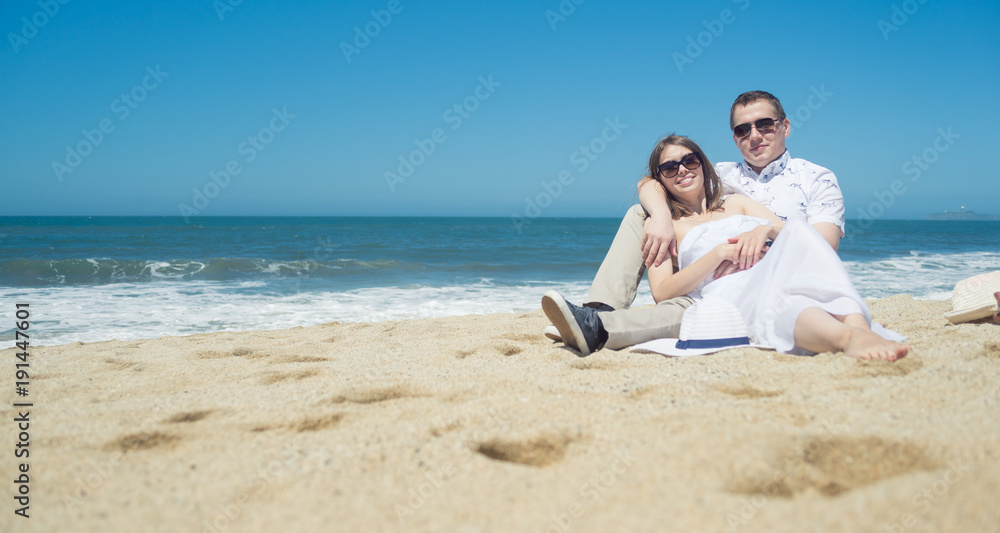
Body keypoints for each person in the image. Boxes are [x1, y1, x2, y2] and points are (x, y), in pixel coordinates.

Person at [542, 135, 908, 362]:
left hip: (775, 263)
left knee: (802, 239)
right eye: (670, 168)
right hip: (729, 287)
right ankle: (847, 338)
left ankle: (859, 327)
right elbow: (663, 292)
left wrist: (763, 230)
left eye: (690, 160)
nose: (682, 169)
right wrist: (715, 252)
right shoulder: (669, 229)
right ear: (661, 180)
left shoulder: (736, 202)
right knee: (784, 306)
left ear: (703, 162)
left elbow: (789, 231)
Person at [545, 90, 846, 343]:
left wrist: (765, 236)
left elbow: (823, 247)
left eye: (765, 125)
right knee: (641, 214)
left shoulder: (816, 178)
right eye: (743, 129)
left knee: (689, 308)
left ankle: (600, 329)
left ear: (786, 126)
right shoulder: (723, 174)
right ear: (734, 137)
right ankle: (600, 310)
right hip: (703, 261)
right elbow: (651, 181)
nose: (754, 136)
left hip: (773, 270)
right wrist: (661, 215)